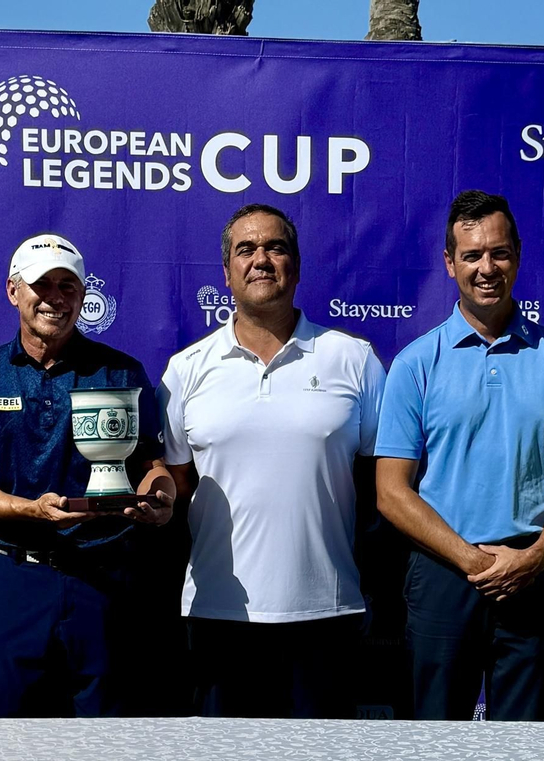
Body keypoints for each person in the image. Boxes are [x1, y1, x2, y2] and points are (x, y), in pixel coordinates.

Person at [374, 190, 544, 721]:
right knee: (433, 741)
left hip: (532, 569)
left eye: (498, 253)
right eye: (472, 255)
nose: (486, 268)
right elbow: (390, 491)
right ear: (450, 263)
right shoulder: (415, 363)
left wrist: (536, 556)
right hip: (442, 573)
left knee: (524, 747)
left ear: (517, 256)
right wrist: (472, 561)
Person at [158, 204, 385, 718]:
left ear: (297, 266)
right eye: (246, 249)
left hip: (327, 612)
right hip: (219, 613)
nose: (261, 259)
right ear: (227, 273)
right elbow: (173, 481)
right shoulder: (185, 370)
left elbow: (382, 487)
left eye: (275, 247)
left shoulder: (353, 359)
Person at [0, 233, 175, 718]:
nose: (55, 297)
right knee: (9, 739)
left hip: (103, 574)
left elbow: (152, 466)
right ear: (13, 291)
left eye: (68, 286)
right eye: (40, 284)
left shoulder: (121, 373)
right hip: (11, 576)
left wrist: (161, 497)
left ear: (84, 295)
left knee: (106, 738)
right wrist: (29, 509)